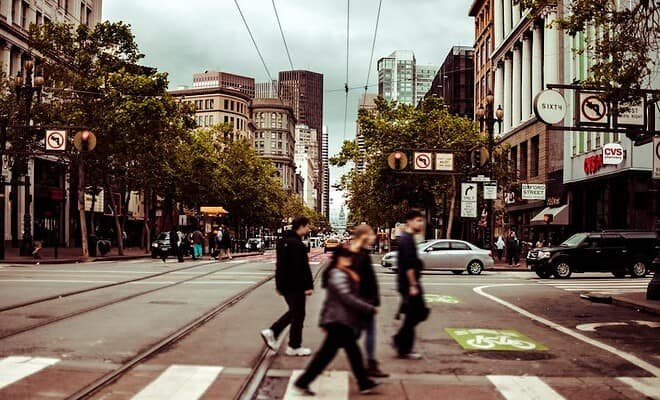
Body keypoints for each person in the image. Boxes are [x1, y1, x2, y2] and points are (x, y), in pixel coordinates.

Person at [293, 248, 380, 396]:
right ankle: (303, 382)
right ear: (339, 258)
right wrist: (368, 308)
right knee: (333, 355)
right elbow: (346, 297)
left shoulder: (341, 272)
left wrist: (323, 320)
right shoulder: (337, 274)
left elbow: (330, 301)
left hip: (339, 320)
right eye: (347, 258)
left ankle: (363, 382)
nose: (350, 260)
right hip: (338, 321)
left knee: (347, 354)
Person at [261, 217, 314, 356]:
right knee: (298, 314)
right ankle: (292, 345)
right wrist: (308, 286)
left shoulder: (282, 242)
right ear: (301, 227)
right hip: (296, 286)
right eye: (308, 226)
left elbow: (280, 266)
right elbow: (302, 268)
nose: (309, 229)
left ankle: (275, 333)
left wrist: (279, 285)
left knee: (295, 312)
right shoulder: (298, 245)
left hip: (285, 285)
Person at [350, 224, 388, 378]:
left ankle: (370, 363)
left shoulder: (360, 253)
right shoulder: (361, 255)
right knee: (364, 333)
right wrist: (370, 302)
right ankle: (371, 364)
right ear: (365, 236)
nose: (375, 235)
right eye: (372, 233)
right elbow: (363, 281)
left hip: (363, 301)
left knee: (356, 333)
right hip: (364, 302)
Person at [393, 210, 427, 360]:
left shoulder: (408, 238)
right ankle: (402, 345)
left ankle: (401, 342)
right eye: (418, 220)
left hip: (408, 283)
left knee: (414, 315)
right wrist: (413, 285)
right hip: (409, 284)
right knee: (416, 314)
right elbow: (409, 266)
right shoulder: (406, 240)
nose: (421, 223)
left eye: (422, 220)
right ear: (410, 221)